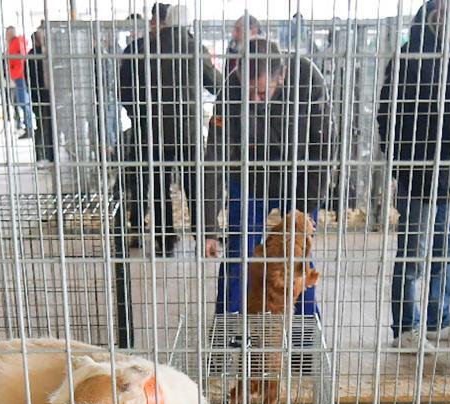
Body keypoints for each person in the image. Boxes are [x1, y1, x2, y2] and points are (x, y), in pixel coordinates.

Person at [202, 37, 335, 359]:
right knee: (239, 253)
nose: (256, 100)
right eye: (250, 93)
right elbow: (214, 157)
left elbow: (324, 149)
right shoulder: (231, 90)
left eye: (263, 92)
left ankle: (304, 342)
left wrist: (305, 213)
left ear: (282, 75)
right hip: (248, 178)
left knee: (299, 258)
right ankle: (228, 339)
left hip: (297, 178)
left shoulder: (309, 79)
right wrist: (207, 225)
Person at [377, 0, 450, 353]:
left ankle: (440, 320)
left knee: (445, 251)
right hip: (420, 172)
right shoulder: (411, 54)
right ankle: (407, 328)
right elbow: (387, 113)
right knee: (413, 254)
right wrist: (403, 162)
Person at [119, 2, 223, 254]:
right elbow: (217, 84)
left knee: (158, 187)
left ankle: (165, 240)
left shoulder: (143, 49)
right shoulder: (193, 48)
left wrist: (140, 118)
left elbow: (126, 92)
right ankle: (203, 236)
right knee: (195, 184)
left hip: (152, 133)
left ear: (162, 22)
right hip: (187, 131)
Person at [26, 25, 56, 163]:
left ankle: (48, 155)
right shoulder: (34, 55)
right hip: (41, 94)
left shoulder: (39, 54)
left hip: (42, 94)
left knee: (46, 125)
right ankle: (43, 155)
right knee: (43, 125)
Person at [5, 25, 34, 138]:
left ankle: (29, 127)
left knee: (23, 103)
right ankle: (28, 126)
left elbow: (20, 59)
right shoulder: (15, 43)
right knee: (22, 102)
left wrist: (16, 72)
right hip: (18, 76)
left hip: (20, 76)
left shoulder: (17, 43)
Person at [223, 12, 261, 80]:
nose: (233, 34)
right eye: (234, 30)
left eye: (238, 30)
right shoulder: (232, 51)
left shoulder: (263, 55)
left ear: (253, 31)